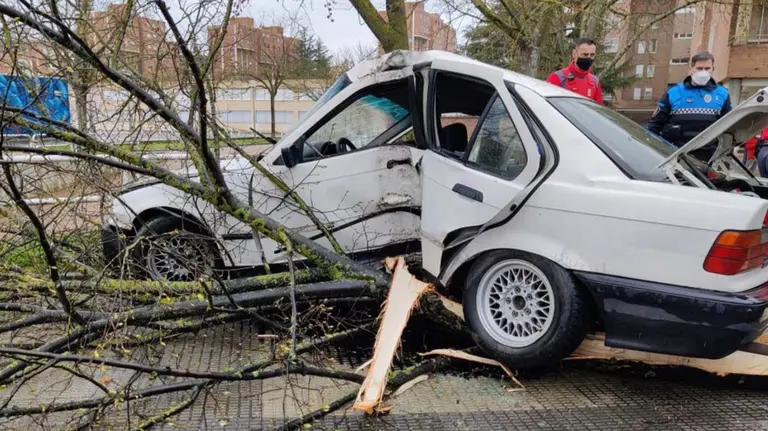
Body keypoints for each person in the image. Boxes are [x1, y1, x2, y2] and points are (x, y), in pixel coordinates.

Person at [647, 52, 732, 162]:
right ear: (691, 69)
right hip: (676, 156)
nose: (703, 72)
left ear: (713, 69)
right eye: (699, 68)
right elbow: (655, 126)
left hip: (709, 158)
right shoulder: (674, 92)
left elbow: (729, 128)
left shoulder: (722, 94)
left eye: (707, 68)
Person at [546, 38, 603, 104]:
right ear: (574, 54)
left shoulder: (595, 82)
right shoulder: (557, 78)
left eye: (592, 55)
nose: (589, 58)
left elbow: (598, 108)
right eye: (585, 55)